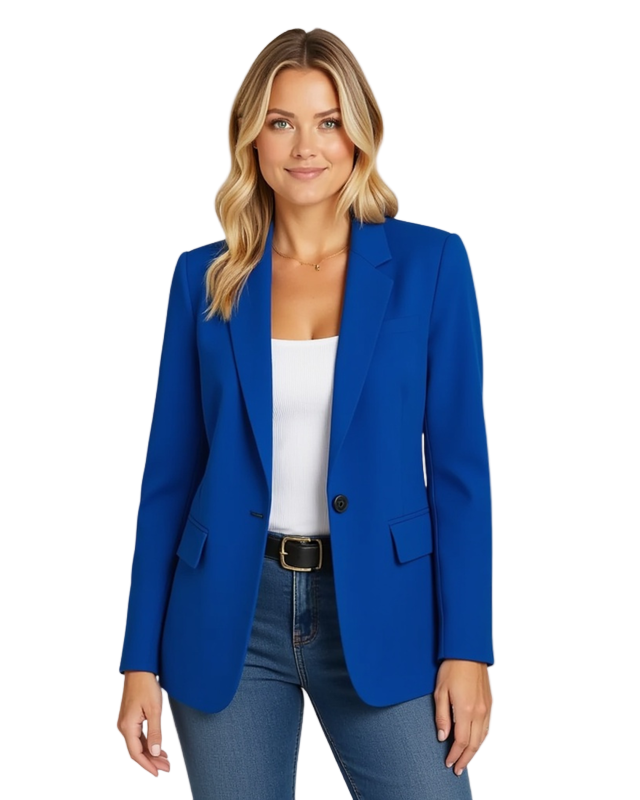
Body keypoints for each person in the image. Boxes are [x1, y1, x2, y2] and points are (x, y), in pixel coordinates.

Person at [117, 27, 494, 800]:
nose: (305, 147)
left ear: (358, 133)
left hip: (383, 609)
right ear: (251, 137)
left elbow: (461, 474)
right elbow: (169, 478)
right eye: (281, 122)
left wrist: (468, 647)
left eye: (327, 121)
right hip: (228, 612)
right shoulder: (206, 279)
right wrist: (138, 661)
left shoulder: (430, 266)